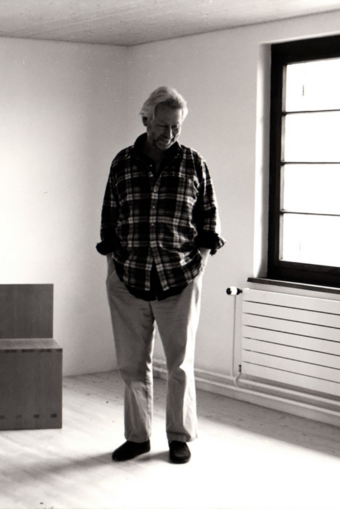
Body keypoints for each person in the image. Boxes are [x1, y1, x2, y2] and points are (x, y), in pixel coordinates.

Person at [96, 86, 225, 464]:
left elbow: (209, 217)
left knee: (180, 364)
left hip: (180, 278)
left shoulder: (194, 163)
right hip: (128, 276)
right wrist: (112, 261)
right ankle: (137, 437)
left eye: (176, 128)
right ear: (145, 119)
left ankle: (179, 437)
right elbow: (109, 214)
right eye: (162, 126)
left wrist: (200, 259)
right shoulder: (122, 162)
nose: (168, 134)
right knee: (132, 365)